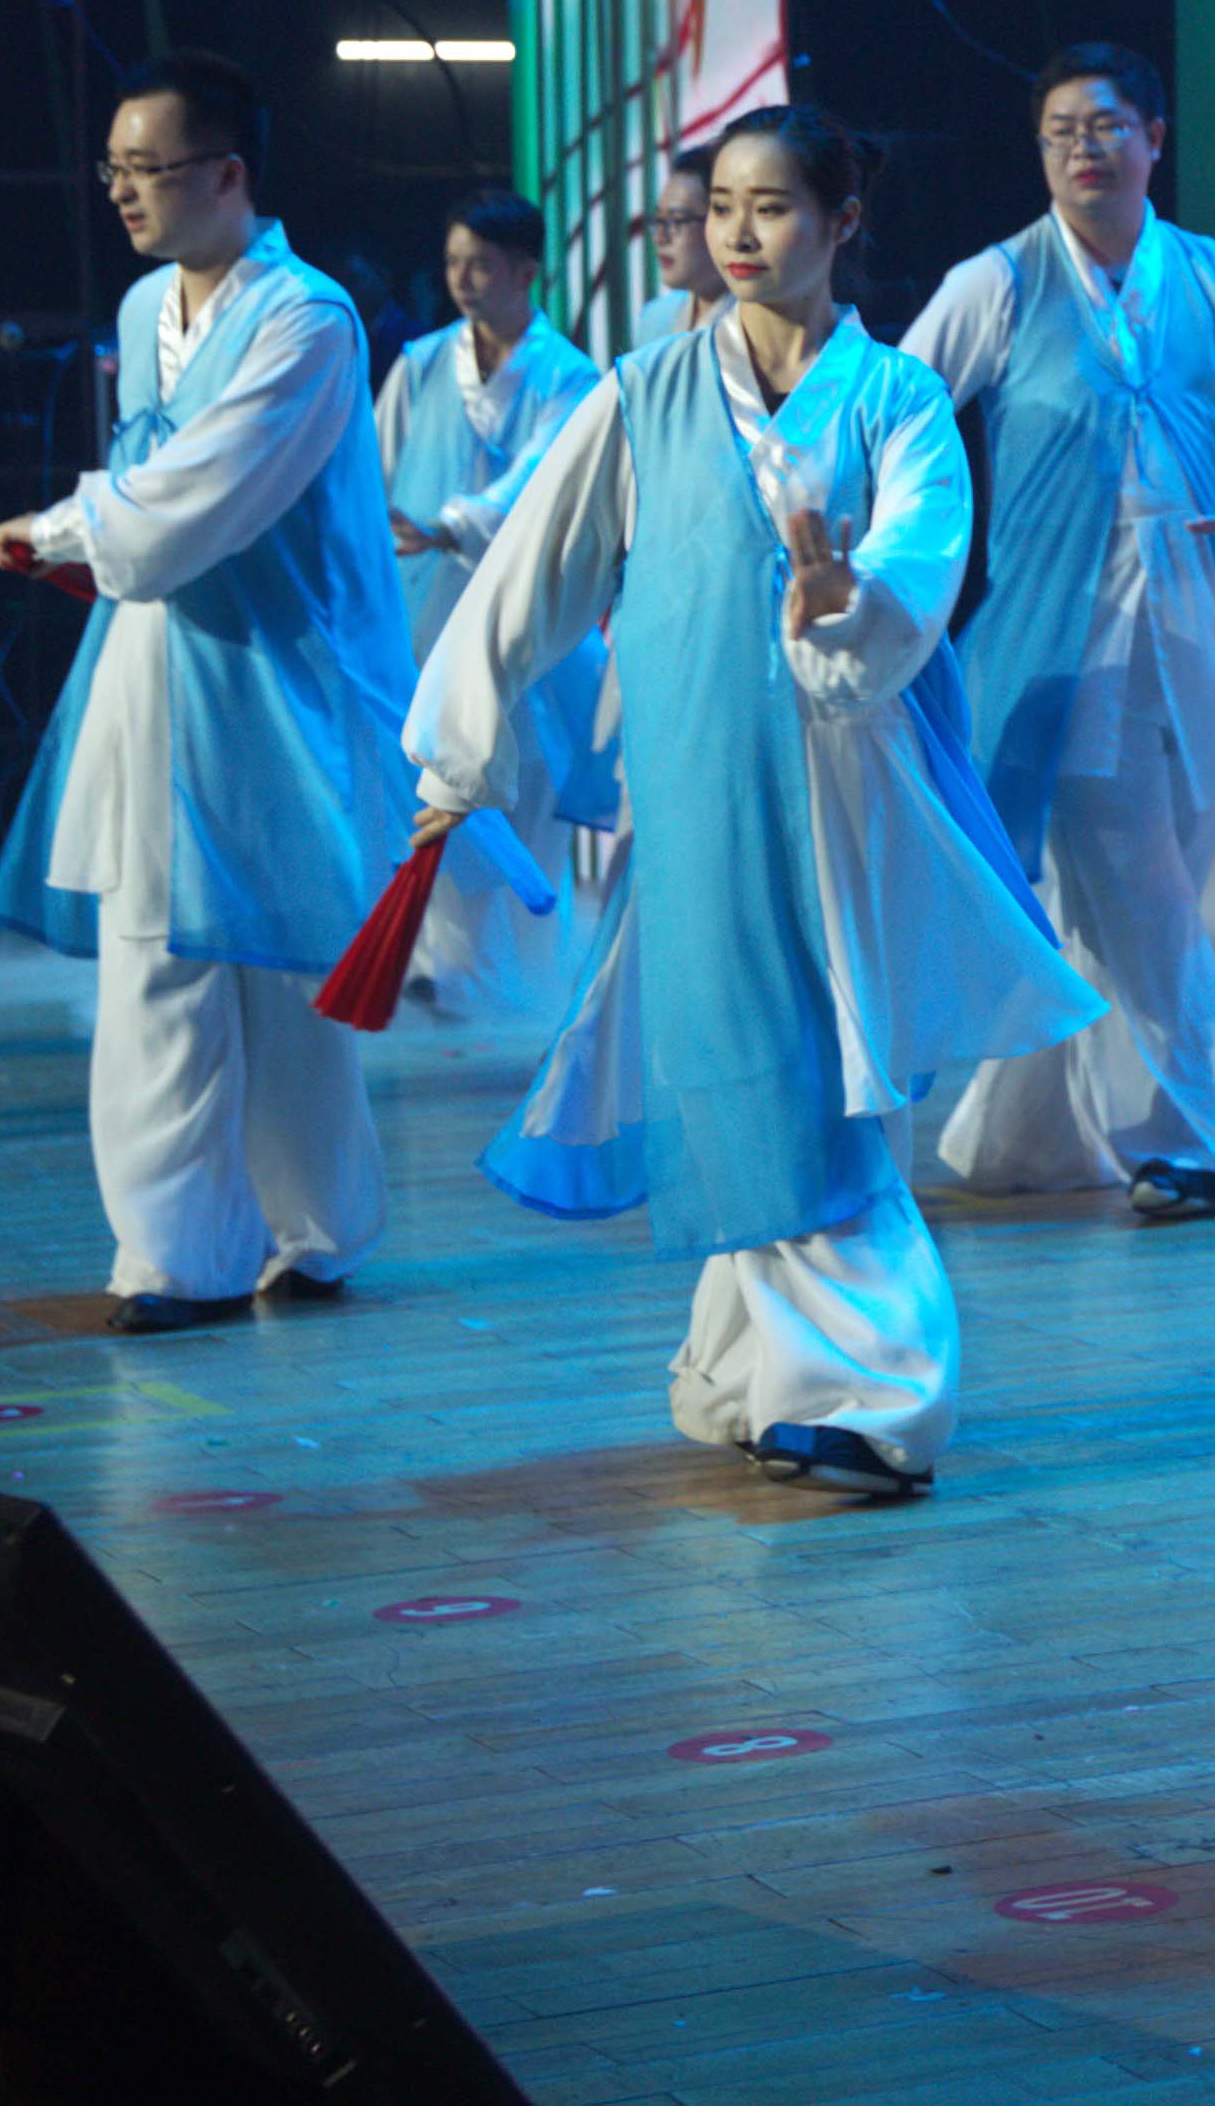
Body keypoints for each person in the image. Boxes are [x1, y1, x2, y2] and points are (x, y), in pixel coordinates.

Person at [402, 110, 1105, 1496]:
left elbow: (923, 557)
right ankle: (751, 1363)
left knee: (820, 1061)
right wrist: (456, 757)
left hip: (850, 786)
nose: (736, 231)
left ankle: (870, 1392)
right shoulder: (645, 391)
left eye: (772, 206)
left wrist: (846, 597)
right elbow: (531, 578)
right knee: (733, 1048)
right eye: (720, 204)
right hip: (691, 773)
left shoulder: (895, 395)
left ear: (843, 222)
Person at [0, 56, 414, 1334]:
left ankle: (316, 1225)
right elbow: (157, 491)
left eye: (148, 169)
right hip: (157, 668)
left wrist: (59, 529)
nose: (123, 192)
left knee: (284, 965)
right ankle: (177, 1255)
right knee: (157, 963)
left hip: (278, 674)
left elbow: (200, 492)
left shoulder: (307, 319)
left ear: (229, 174)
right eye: (113, 169)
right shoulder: (143, 309)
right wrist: (87, 532)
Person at [896, 42, 1215, 1223]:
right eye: (1060, 131)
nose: (1083, 149)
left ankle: (1030, 1134)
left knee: (1129, 902)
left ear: (1155, 138)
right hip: (1062, 654)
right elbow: (898, 412)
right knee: (1139, 892)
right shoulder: (998, 283)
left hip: (1199, 642)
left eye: (1106, 126)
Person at [378, 190, 606, 1022]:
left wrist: (450, 524)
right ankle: (444, 973)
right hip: (423, 616)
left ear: (526, 270)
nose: (463, 280)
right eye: (453, 264)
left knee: (525, 787)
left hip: (522, 620)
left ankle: (526, 984)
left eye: (480, 264)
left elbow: (543, 481)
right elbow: (377, 465)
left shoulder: (568, 375)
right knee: (430, 788)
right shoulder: (420, 365)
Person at [629, 140, 719, 350]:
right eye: (658, 220)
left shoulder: (754, 324)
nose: (660, 237)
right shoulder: (655, 318)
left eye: (677, 220)